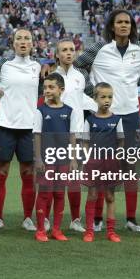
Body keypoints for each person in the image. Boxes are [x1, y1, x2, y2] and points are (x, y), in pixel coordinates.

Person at [73, 9, 140, 233]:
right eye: (119, 22)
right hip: (102, 116)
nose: (124, 25)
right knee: (101, 167)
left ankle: (131, 219)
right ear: (112, 26)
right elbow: (77, 65)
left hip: (130, 114)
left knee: (129, 167)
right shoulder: (99, 48)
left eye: (127, 22)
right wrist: (93, 90)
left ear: (132, 26)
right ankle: (98, 219)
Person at [0, 28, 41, 232]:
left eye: (27, 38)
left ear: (32, 43)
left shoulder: (38, 67)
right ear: (13, 43)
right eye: (19, 38)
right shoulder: (3, 65)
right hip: (5, 125)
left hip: (29, 126)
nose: (23, 41)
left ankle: (28, 218)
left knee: (28, 173)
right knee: (1, 171)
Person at [33, 73, 81, 242]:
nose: (47, 90)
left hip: (64, 159)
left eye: (51, 87)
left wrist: (73, 159)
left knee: (60, 193)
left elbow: (73, 136)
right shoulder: (40, 111)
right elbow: (37, 136)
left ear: (61, 90)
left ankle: (56, 230)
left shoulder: (70, 111)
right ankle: (40, 230)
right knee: (45, 193)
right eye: (45, 87)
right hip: (47, 160)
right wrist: (38, 158)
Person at [53, 38, 95, 233]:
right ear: (57, 54)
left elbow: (83, 101)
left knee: (75, 179)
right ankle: (49, 219)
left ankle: (75, 219)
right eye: (64, 50)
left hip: (77, 135)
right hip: (55, 135)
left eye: (72, 50)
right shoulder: (51, 77)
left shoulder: (80, 77)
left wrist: (101, 108)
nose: (69, 53)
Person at [81, 82, 124, 243]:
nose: (107, 100)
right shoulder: (90, 120)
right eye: (103, 97)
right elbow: (85, 142)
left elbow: (121, 141)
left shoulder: (117, 119)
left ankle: (111, 231)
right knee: (92, 195)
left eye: (110, 97)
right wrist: (87, 158)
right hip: (94, 163)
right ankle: (90, 231)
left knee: (110, 196)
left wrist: (117, 158)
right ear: (95, 99)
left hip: (111, 163)